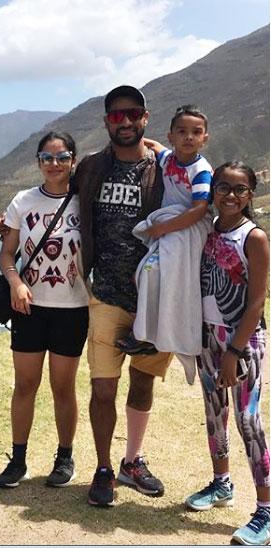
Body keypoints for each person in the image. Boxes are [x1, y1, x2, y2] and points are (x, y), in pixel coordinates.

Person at [76, 85, 172, 506]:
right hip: (106, 296)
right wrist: (13, 223)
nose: (126, 122)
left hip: (154, 296)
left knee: (144, 381)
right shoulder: (93, 167)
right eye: (117, 116)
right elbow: (57, 194)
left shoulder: (165, 167)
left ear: (145, 118)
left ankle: (133, 461)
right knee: (102, 388)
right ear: (106, 123)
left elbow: (203, 185)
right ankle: (103, 469)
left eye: (133, 114)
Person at [0, 131, 90, 489]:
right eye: (47, 157)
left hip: (73, 307)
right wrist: (16, 283)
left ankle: (65, 458)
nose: (54, 164)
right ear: (38, 161)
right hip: (29, 307)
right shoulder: (23, 201)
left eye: (62, 157)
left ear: (74, 161)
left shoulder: (86, 201)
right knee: (25, 385)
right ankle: (18, 460)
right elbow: (7, 253)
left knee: (63, 387)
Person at [184, 161, 269, 546]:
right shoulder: (210, 230)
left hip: (243, 342)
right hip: (208, 339)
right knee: (214, 415)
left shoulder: (254, 237)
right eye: (223, 187)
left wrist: (235, 351)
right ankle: (222, 484)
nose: (230, 196)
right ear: (213, 190)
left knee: (248, 420)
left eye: (239, 189)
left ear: (250, 194)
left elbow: (255, 303)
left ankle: (266, 511)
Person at [116, 106, 213, 377]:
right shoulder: (168, 159)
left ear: (205, 138)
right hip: (170, 226)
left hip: (188, 228)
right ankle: (150, 330)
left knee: (153, 272)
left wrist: (163, 228)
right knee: (145, 274)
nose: (189, 138)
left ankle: (148, 333)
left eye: (196, 132)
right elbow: (155, 146)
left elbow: (199, 209)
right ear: (172, 136)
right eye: (182, 132)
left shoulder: (201, 170)